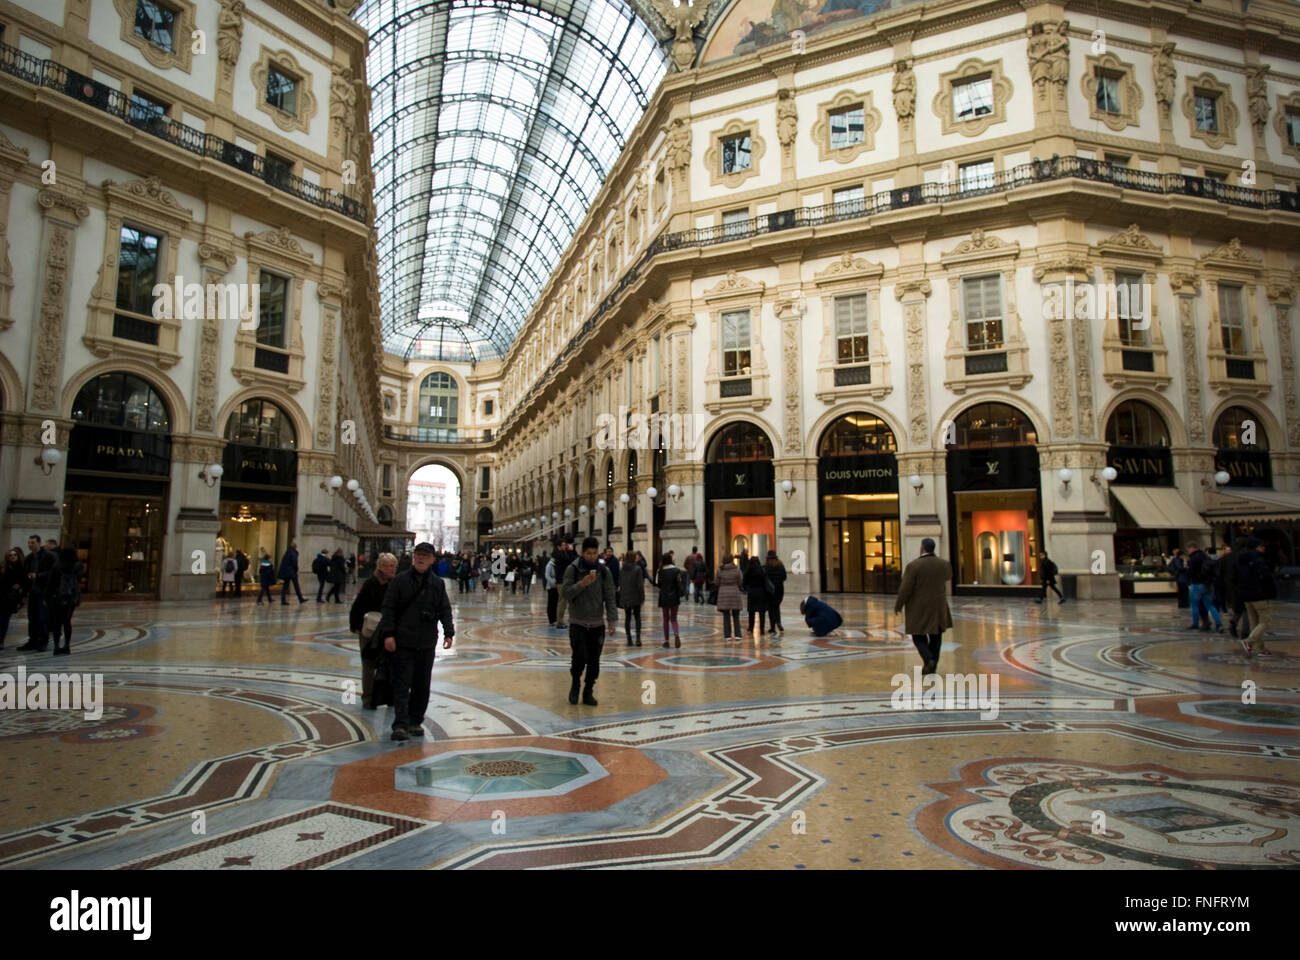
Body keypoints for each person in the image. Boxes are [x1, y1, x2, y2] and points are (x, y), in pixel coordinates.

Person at [376, 542, 454, 741]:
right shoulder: (400, 581)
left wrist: (449, 632)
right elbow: (389, 608)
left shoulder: (437, 583)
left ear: (432, 560)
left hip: (427, 641)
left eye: (425, 556)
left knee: (422, 685)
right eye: (418, 555)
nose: (421, 558)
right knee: (402, 684)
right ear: (413, 557)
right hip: (403, 641)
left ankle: (415, 721)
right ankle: (400, 725)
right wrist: (388, 634)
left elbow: (444, 608)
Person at [562, 536, 617, 705]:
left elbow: (609, 595)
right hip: (578, 622)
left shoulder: (603, 571)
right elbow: (565, 593)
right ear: (582, 552)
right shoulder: (573, 569)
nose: (592, 557)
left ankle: (588, 691)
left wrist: (612, 620)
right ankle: (575, 685)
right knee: (578, 658)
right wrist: (582, 584)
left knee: (594, 660)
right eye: (588, 553)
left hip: (596, 623)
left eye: (594, 553)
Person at [894, 538, 953, 675]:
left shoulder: (913, 566)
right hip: (938, 606)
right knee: (936, 636)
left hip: (919, 606)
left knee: (917, 635)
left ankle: (929, 659)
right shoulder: (944, 564)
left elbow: (905, 588)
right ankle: (932, 665)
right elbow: (948, 577)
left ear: (922, 548)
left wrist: (899, 604)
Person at [351, 551, 397, 709]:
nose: (393, 569)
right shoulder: (371, 583)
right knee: (369, 664)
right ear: (381, 566)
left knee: (390, 663)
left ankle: (389, 696)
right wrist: (358, 628)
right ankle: (369, 697)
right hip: (370, 631)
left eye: (394, 566)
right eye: (390, 566)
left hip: (387, 629)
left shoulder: (394, 583)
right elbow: (358, 607)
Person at [1236, 537, 1276, 657]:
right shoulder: (1257, 559)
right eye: (1261, 546)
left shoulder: (1240, 558)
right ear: (1256, 547)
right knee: (1266, 621)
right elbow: (1265, 576)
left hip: (1246, 594)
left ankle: (1261, 649)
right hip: (1259, 594)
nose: (1264, 548)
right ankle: (1248, 642)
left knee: (1255, 621)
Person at [44, 547, 84, 656]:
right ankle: (67, 645)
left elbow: (51, 583)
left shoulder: (57, 566)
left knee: (57, 623)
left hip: (58, 597)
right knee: (67, 622)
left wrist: (47, 597)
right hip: (71, 598)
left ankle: (57, 646)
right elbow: (78, 579)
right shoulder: (78, 566)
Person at [19, 535, 52, 651]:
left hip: (43, 591)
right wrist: (24, 593)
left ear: (39, 543)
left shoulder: (48, 556)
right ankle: (32, 641)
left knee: (42, 617)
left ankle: (43, 641)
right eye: (29, 543)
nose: (30, 545)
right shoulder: (28, 558)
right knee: (32, 617)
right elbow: (24, 576)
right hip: (32, 591)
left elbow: (53, 573)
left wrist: (38, 576)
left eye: (32, 542)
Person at [1184, 542, 1223, 632]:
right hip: (1208, 584)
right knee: (1210, 605)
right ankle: (1219, 623)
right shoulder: (1205, 556)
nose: (1188, 552)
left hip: (1197, 584)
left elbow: (1191, 571)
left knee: (1194, 605)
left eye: (1188, 549)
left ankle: (1196, 623)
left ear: (1191, 548)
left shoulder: (1194, 558)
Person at [1217, 538, 1251, 639]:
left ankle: (1233, 624)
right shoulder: (1245, 557)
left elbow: (1219, 573)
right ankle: (1245, 631)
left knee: (1238, 608)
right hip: (1244, 585)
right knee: (1246, 609)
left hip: (1230, 587)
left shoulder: (1226, 558)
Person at [656, 552, 687, 648]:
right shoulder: (676, 570)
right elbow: (679, 582)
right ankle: (676, 634)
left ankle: (666, 640)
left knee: (665, 619)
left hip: (664, 597)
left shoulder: (660, 571)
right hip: (674, 597)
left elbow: (658, 584)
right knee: (674, 619)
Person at [1, 547, 27, 649]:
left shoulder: (21, 568)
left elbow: (24, 582)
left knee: (4, 619)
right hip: (2, 595)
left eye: (14, 555)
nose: (12, 557)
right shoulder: (4, 568)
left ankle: (1, 640)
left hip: (10, 599)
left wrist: (19, 588)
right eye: (10, 555)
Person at [618, 550, 645, 646]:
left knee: (627, 617)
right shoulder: (637, 569)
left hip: (625, 596)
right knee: (637, 617)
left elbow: (620, 582)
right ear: (633, 558)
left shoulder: (622, 569)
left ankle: (629, 639)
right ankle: (638, 639)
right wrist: (642, 598)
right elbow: (640, 585)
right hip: (636, 596)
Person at [715, 555, 743, 642]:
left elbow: (716, 582)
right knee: (736, 615)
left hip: (723, 593)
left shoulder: (720, 570)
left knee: (726, 615)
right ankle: (738, 634)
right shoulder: (737, 569)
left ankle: (727, 635)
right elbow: (740, 581)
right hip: (735, 592)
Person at [742, 556, 770, 641]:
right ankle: (761, 629)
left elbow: (744, 581)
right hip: (761, 592)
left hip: (752, 592)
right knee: (762, 611)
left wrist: (747, 589)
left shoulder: (748, 571)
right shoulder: (762, 571)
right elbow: (765, 582)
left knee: (751, 611)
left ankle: (751, 627)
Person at [765, 550, 787, 635]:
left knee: (771, 608)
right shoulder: (780, 565)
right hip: (779, 589)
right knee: (776, 606)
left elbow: (765, 578)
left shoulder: (767, 566)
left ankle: (772, 627)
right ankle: (779, 622)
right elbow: (784, 577)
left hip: (770, 590)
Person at [554, 541, 575, 628]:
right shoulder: (559, 555)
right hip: (561, 581)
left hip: (565, 580)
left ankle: (562, 620)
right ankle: (559, 621)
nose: (565, 546)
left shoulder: (562, 553)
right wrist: (571, 551)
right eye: (563, 545)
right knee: (562, 602)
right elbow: (570, 561)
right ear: (559, 547)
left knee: (564, 602)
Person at [545, 550, 560, 625]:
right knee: (551, 603)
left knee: (556, 603)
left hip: (557, 586)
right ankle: (551, 619)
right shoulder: (549, 565)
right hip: (551, 586)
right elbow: (547, 575)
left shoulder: (558, 564)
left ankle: (555, 618)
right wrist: (553, 582)